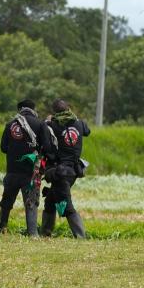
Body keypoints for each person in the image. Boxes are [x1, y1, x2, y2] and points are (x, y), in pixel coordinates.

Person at [0, 98, 52, 237]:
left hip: (12, 171)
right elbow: (48, 147)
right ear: (33, 109)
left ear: (20, 110)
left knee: (6, 202)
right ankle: (32, 233)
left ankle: (2, 229)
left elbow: (3, 148)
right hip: (31, 173)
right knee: (31, 203)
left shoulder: (10, 124)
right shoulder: (39, 124)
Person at [41, 98, 91, 238]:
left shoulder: (53, 125)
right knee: (50, 200)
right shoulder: (79, 123)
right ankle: (45, 233)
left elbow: (44, 130)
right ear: (68, 109)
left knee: (66, 206)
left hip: (60, 172)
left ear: (54, 112)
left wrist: (48, 120)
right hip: (74, 171)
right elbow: (87, 131)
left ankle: (81, 236)